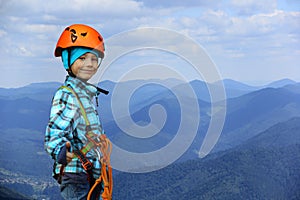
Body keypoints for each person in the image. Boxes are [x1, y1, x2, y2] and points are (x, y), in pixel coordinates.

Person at [44, 24, 110, 200]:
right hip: (77, 175)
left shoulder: (85, 94)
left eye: (94, 59)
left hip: (88, 172)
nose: (89, 64)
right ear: (67, 60)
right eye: (82, 58)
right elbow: (54, 133)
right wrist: (60, 151)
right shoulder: (67, 95)